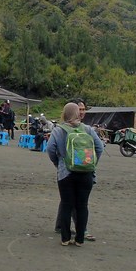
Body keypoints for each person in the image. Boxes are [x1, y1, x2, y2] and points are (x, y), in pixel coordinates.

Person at [47, 102, 104, 245]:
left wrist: (58, 163)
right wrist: (91, 163)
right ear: (78, 113)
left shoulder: (58, 130)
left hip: (66, 173)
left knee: (67, 204)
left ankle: (65, 238)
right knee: (82, 205)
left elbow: (50, 149)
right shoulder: (88, 129)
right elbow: (100, 147)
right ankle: (79, 239)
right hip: (86, 173)